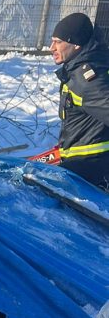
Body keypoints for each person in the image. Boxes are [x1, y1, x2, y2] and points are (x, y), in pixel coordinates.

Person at [48, 12, 109, 189]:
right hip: (83, 161)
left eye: (58, 42)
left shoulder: (86, 80)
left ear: (76, 45)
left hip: (87, 168)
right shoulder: (84, 68)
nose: (51, 47)